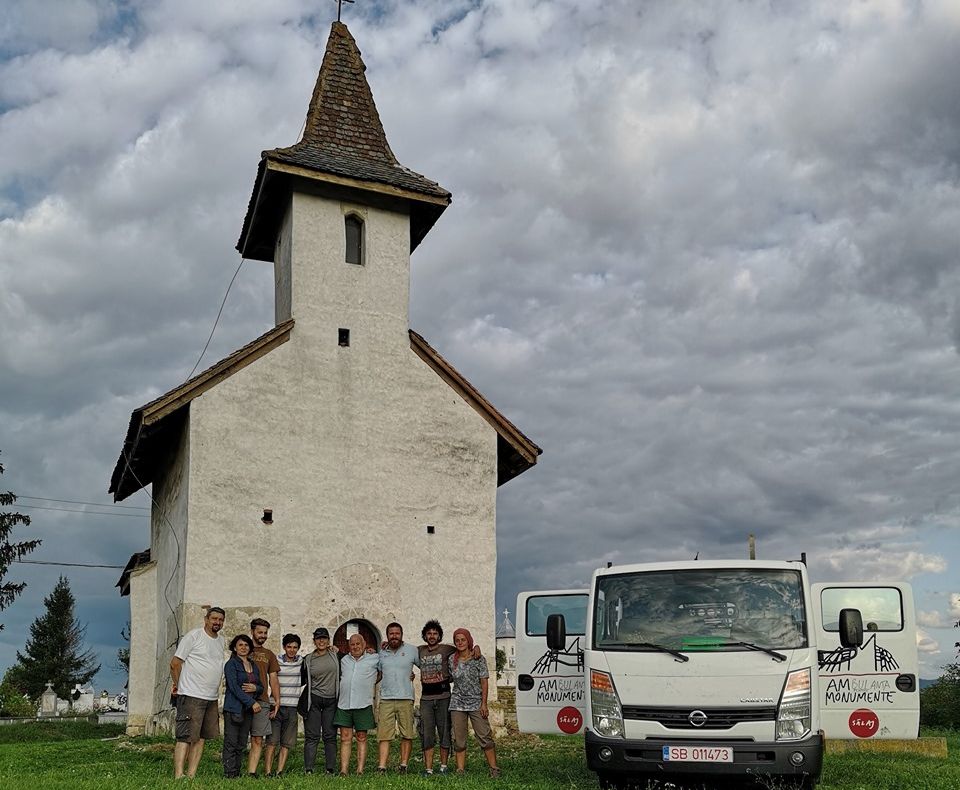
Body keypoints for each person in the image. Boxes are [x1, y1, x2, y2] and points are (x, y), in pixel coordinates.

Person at [418, 619, 484, 775]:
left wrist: (476, 647)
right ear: (425, 636)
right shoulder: (419, 650)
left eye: (435, 633)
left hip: (444, 696)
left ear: (440, 636)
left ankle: (443, 767)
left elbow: (465, 647)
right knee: (427, 734)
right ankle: (428, 769)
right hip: (426, 699)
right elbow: (403, 650)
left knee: (444, 732)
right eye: (429, 633)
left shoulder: (448, 649)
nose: (432, 636)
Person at [169, 606, 226, 779]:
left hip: (211, 697)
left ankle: (191, 774)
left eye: (220, 620)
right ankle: (179, 775)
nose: (217, 622)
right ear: (206, 619)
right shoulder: (194, 636)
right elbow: (175, 663)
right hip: (191, 694)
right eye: (214, 618)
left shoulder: (220, 640)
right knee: (186, 737)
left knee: (201, 738)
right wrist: (180, 687)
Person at [449, 627, 499, 778]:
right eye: (457, 640)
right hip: (457, 702)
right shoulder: (452, 659)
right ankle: (460, 770)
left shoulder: (478, 658)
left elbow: (484, 682)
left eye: (463, 640)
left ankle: (494, 768)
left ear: (469, 640)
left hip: (476, 702)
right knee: (459, 738)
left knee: (484, 735)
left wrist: (484, 703)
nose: (460, 643)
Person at [333, 633, 381, 775]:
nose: (355, 647)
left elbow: (384, 671)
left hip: (363, 703)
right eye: (352, 644)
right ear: (349, 646)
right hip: (344, 703)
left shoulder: (374, 658)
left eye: (358, 644)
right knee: (345, 738)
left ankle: (360, 770)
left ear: (364, 644)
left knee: (361, 737)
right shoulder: (343, 659)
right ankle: (344, 770)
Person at [376, 622, 419, 774]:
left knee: (406, 733)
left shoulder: (412, 650)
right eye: (391, 634)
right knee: (384, 735)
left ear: (402, 634)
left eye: (397, 633)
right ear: (387, 636)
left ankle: (404, 765)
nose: (394, 636)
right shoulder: (381, 653)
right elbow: (378, 674)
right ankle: (382, 767)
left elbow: (424, 666)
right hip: (386, 699)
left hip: (406, 698)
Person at [300, 627, 341, 775]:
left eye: (324, 638)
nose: (321, 641)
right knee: (312, 736)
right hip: (314, 700)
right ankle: (309, 768)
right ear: (314, 641)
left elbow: (353, 660)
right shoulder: (308, 659)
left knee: (330, 735)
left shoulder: (337, 656)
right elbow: (301, 679)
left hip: (331, 701)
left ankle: (330, 768)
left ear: (328, 640)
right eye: (318, 638)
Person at [222, 634, 263, 778]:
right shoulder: (231, 664)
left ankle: (237, 772)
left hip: (247, 711)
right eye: (240, 645)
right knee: (231, 742)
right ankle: (229, 773)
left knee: (241, 743)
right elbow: (234, 687)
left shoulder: (253, 665)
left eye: (246, 645)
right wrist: (251, 702)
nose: (244, 648)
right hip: (234, 708)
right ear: (235, 647)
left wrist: (255, 688)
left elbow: (261, 687)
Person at [264, 633, 303, 778]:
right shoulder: (276, 661)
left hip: (292, 707)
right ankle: (268, 771)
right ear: (284, 647)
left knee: (287, 742)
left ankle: (279, 771)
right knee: (272, 741)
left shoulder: (302, 662)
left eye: (295, 647)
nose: (292, 650)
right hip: (275, 706)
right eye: (289, 647)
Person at [247, 617, 281, 777]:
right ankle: (232, 771)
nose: (262, 635)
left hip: (262, 701)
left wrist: (277, 700)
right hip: (242, 700)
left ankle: (252, 772)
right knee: (238, 739)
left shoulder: (269, 654)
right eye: (259, 632)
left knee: (258, 738)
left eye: (265, 633)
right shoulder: (243, 650)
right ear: (252, 631)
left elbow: (273, 678)